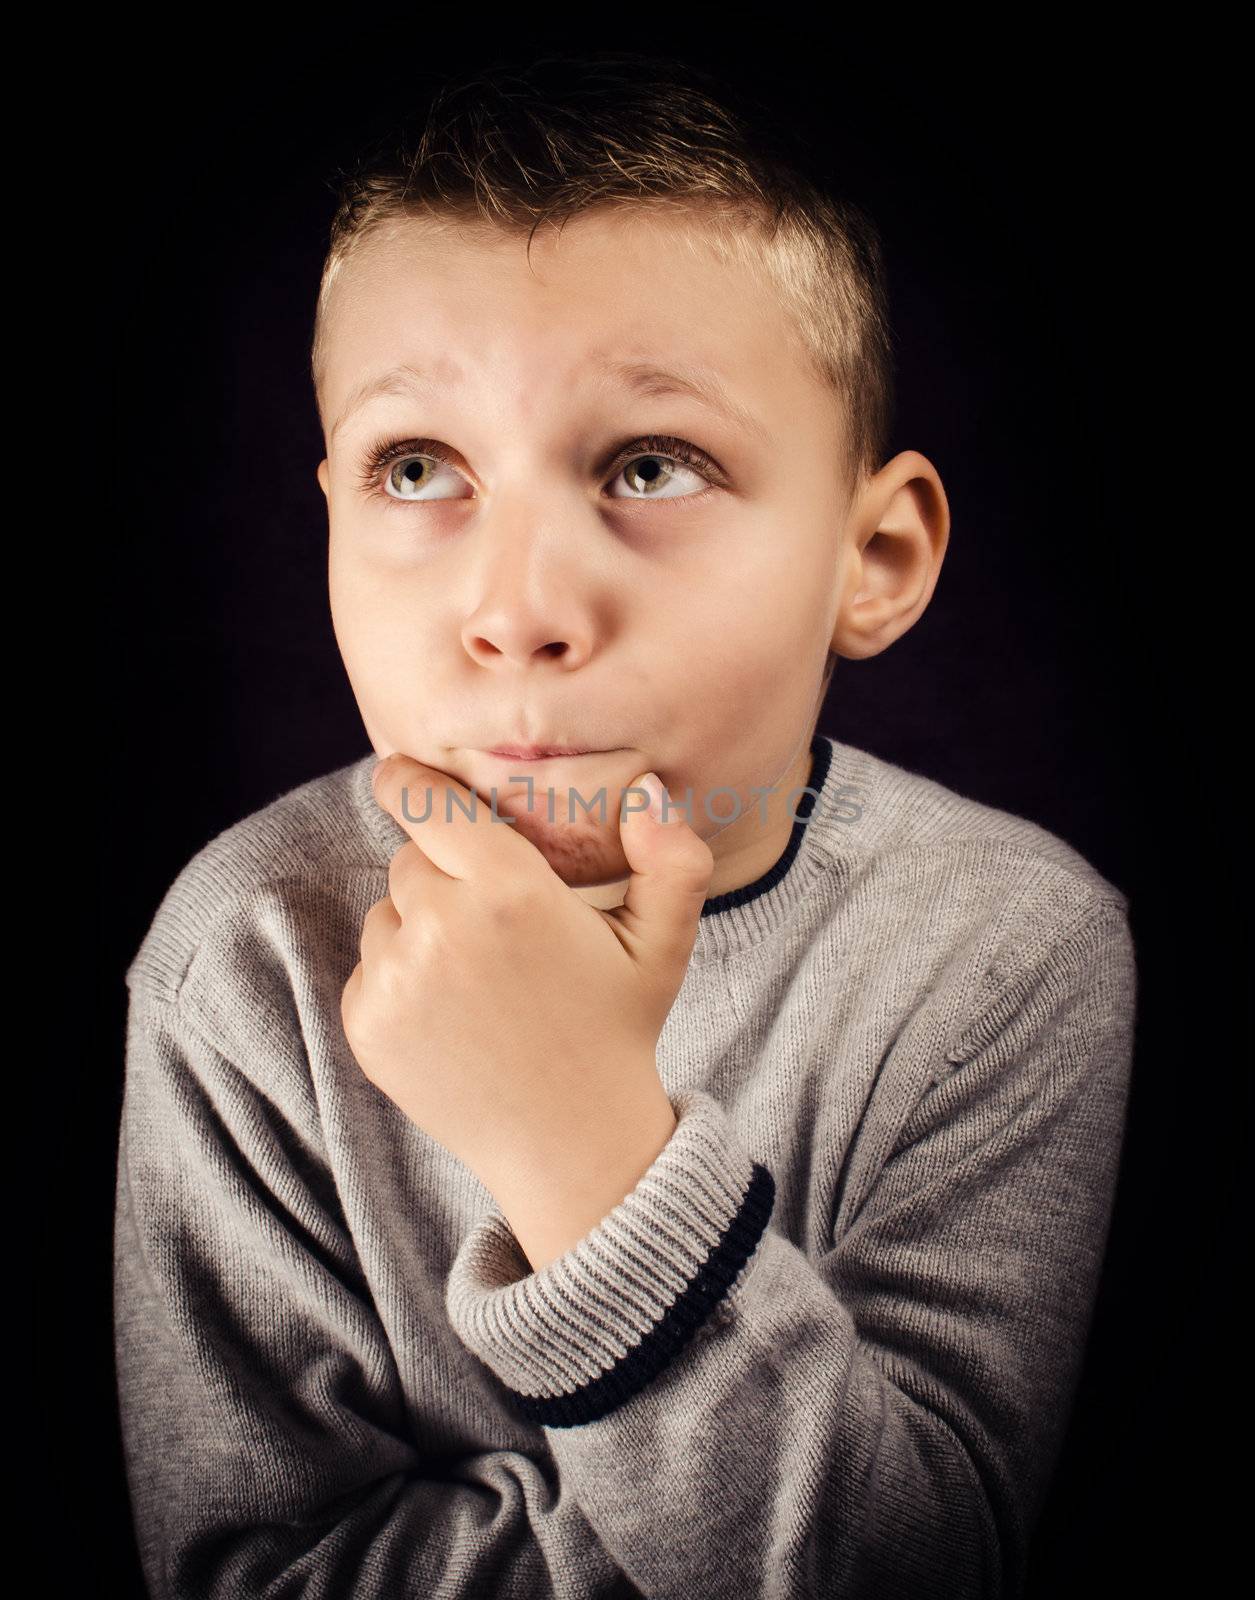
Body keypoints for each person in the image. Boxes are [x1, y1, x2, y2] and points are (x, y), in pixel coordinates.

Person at [114, 50, 1138, 1600]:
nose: (516, 610)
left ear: (872, 557)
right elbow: (252, 1572)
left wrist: (582, 1148)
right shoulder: (246, 956)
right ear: (327, 518)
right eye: (418, 469)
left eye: (651, 466)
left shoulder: (1007, 948)